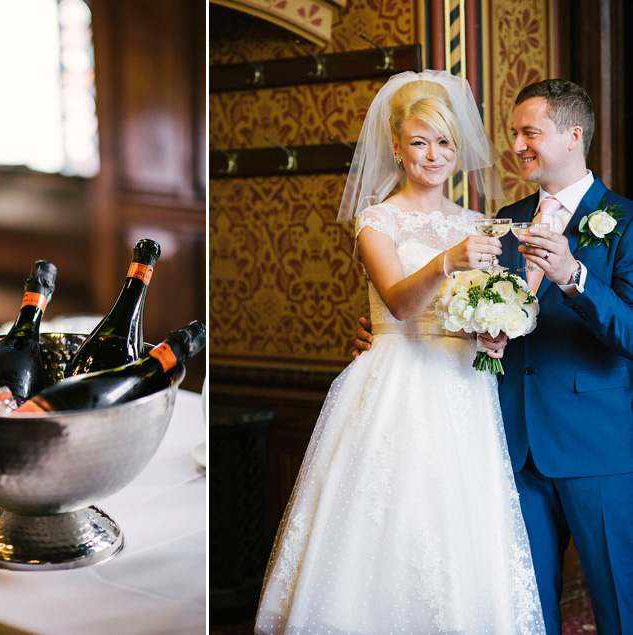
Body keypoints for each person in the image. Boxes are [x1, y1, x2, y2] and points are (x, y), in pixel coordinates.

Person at [254, 70, 545, 634]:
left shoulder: (473, 222)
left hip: (462, 387)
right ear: (397, 146)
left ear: (457, 149)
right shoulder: (376, 220)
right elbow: (401, 304)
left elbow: (476, 307)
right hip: (396, 383)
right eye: (419, 141)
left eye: (443, 142)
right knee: (390, 522)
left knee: (460, 528)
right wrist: (447, 261)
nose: (432, 154)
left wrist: (491, 331)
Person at [354, 79, 633, 633]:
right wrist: (385, 336)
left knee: (620, 606)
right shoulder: (500, 219)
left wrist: (574, 277)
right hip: (506, 443)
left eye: (531, 132)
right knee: (523, 611)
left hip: (594, 447)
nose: (518, 145)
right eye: (514, 134)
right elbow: (469, 309)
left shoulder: (623, 220)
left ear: (573, 136)